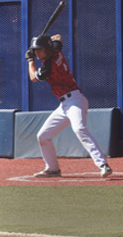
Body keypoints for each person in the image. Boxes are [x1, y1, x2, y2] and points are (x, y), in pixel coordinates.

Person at [26, 34, 112, 178]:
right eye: (35, 50)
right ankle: (53, 168)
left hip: (75, 100)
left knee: (79, 129)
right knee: (43, 136)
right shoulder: (55, 49)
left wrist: (30, 60)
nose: (37, 53)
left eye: (39, 50)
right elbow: (58, 36)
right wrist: (43, 42)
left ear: (47, 49)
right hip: (64, 105)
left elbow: (33, 77)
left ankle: (103, 164)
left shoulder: (48, 66)